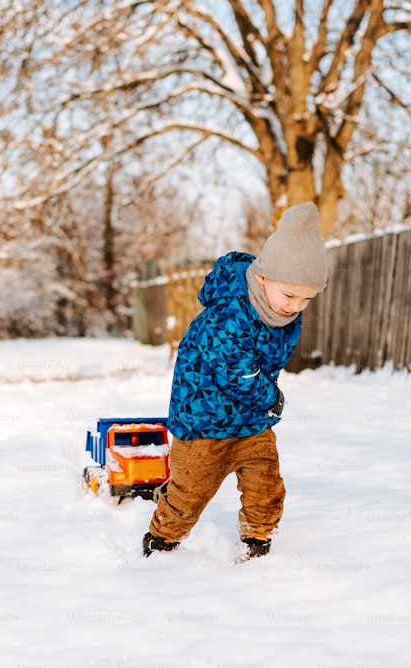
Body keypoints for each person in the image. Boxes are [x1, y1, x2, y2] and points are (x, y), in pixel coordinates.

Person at [143, 202, 328, 562]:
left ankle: (259, 541)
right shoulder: (229, 315)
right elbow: (238, 373)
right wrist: (270, 397)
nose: (295, 306)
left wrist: (264, 400)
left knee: (266, 484)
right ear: (262, 277)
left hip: (251, 423)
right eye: (289, 295)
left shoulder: (282, 315)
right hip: (204, 423)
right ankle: (161, 541)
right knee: (190, 493)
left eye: (307, 299)